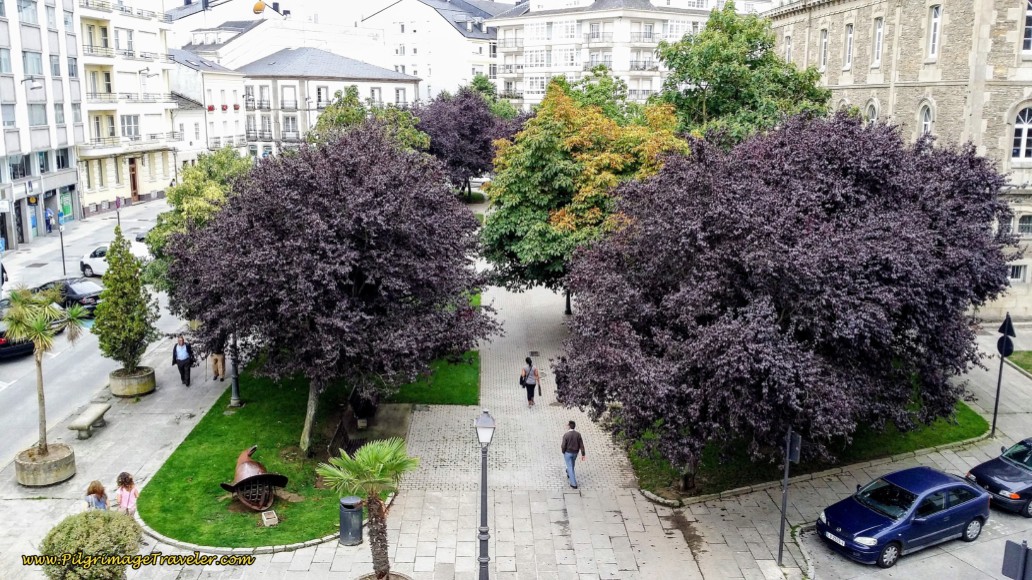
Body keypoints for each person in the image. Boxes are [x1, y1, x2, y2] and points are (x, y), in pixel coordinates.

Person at [561, 420, 586, 489]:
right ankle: (568, 471)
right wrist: (583, 454)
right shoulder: (578, 434)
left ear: (569, 426)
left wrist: (563, 451)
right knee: (572, 464)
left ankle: (573, 483)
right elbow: (581, 445)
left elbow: (563, 445)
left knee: (570, 466)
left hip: (568, 453)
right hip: (575, 453)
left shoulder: (566, 435)